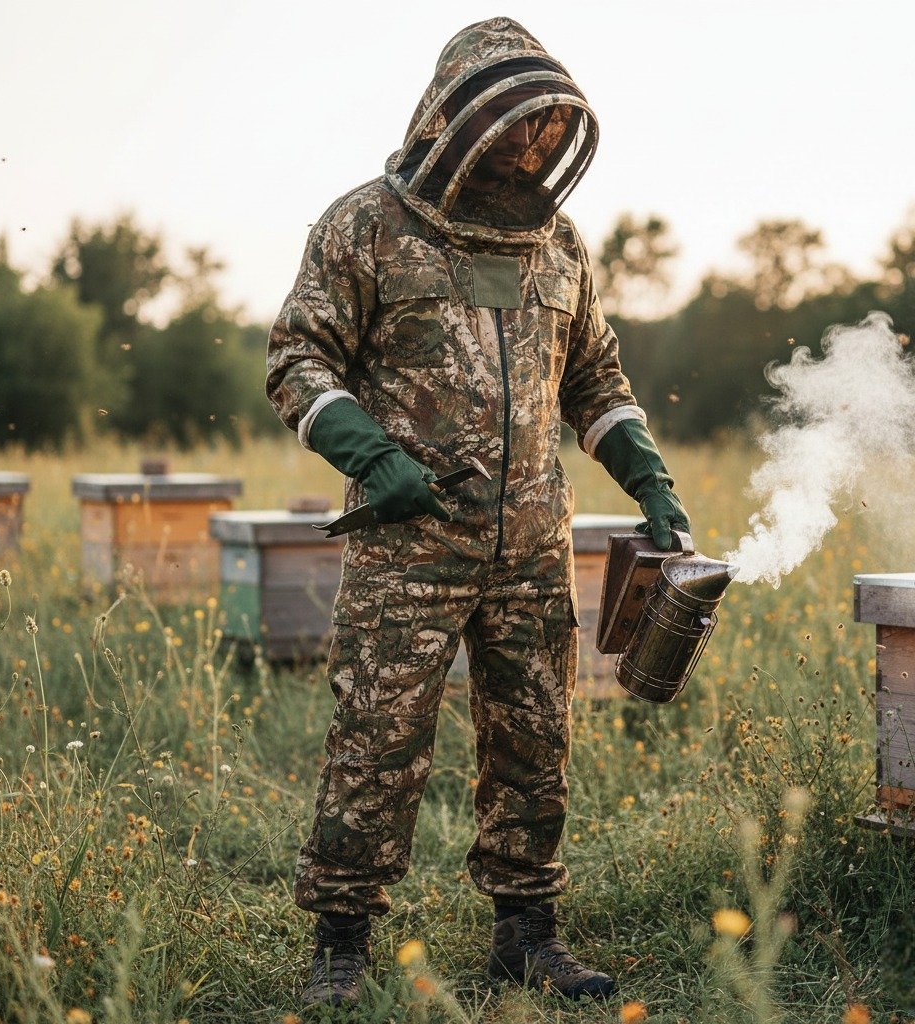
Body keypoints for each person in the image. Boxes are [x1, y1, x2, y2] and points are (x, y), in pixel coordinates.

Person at [266, 17, 691, 1008]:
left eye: (550, 125)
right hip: (407, 545)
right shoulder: (363, 226)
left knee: (535, 739)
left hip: (532, 546)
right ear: (457, 116)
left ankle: (526, 934)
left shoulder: (561, 244)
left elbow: (595, 378)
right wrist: (374, 458)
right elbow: (298, 361)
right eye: (519, 120)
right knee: (377, 736)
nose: (535, 142)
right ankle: (340, 940)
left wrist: (652, 482)